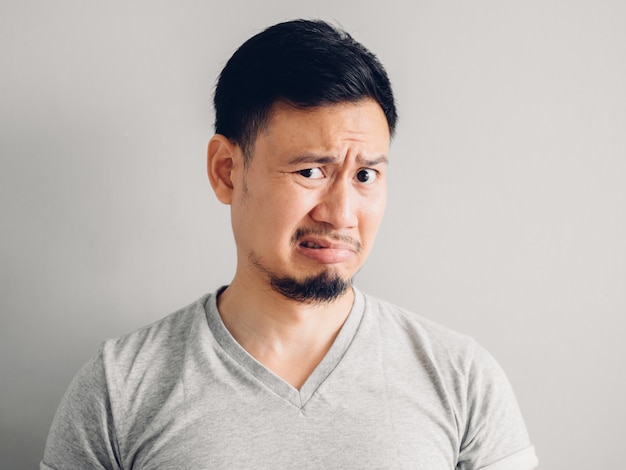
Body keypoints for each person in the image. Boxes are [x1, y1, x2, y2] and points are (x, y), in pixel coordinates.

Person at [42, 19, 538, 469]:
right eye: (310, 171)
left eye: (365, 175)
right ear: (226, 171)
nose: (342, 214)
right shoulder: (118, 390)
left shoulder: (462, 379)